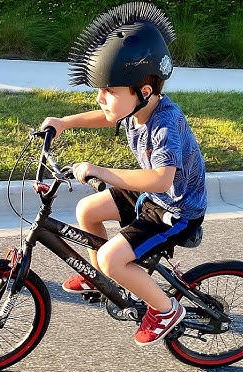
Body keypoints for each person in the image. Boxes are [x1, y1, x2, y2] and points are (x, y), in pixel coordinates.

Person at [41, 2, 207, 346]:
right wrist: (63, 123)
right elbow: (106, 116)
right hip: (152, 194)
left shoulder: (164, 124)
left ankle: (164, 310)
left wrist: (102, 171)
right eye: (100, 91)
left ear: (143, 91)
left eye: (110, 92)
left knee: (111, 257)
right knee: (87, 211)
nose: (102, 98)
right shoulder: (136, 106)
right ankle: (99, 278)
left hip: (175, 209)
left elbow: (161, 179)